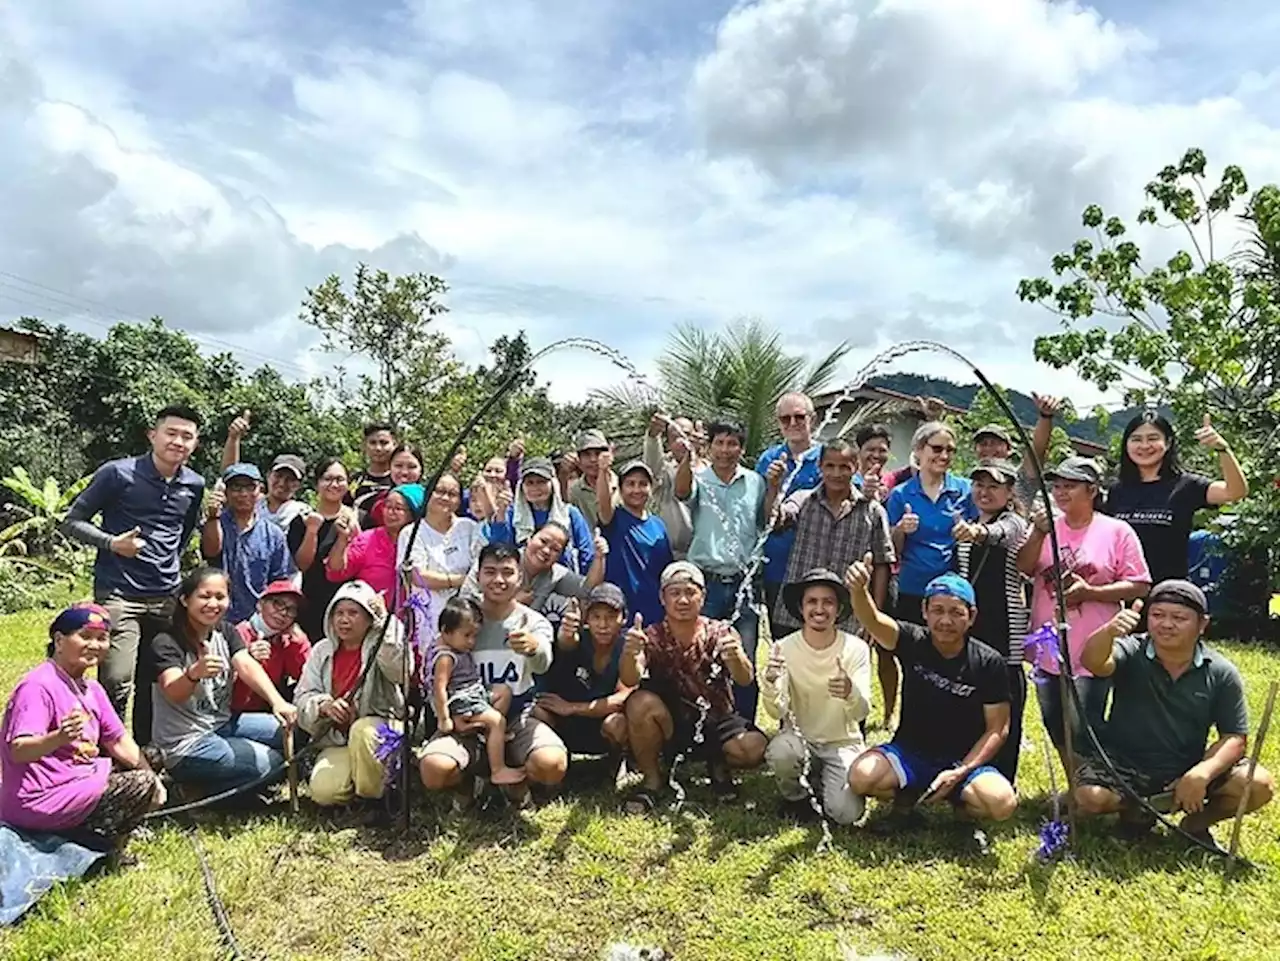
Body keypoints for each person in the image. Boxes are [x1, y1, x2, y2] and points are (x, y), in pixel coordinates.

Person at [1076, 580, 1274, 852]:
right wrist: (1109, 632)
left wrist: (1202, 773)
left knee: (1258, 784)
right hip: (1125, 765)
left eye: (1179, 618)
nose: (1166, 624)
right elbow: (1094, 663)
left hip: (1185, 765)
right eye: (1157, 615)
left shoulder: (1220, 672)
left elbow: (1234, 738)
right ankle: (1136, 814)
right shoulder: (1132, 650)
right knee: (1090, 797)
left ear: (1202, 624)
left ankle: (1194, 825)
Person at [61, 404, 206, 743]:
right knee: (116, 677)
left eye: (187, 436)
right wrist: (113, 544)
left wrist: (168, 559)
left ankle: (146, 751)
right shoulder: (118, 473)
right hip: (119, 593)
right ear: (152, 435)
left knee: (155, 678)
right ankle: (107, 749)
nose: (178, 442)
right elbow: (72, 521)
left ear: (195, 444)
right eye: (171, 433)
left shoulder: (194, 484)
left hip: (166, 595)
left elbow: (184, 532)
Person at [844, 563, 1016, 847]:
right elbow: (873, 620)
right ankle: (907, 800)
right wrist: (859, 590)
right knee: (861, 777)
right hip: (911, 752)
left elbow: (998, 729)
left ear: (971, 617)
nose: (945, 621)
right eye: (937, 610)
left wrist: (961, 770)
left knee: (1001, 803)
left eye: (956, 612)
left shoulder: (989, 662)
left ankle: (962, 812)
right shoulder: (912, 640)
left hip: (963, 761)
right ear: (924, 612)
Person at [1017, 456, 1150, 765]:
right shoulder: (1045, 526)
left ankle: (1092, 782)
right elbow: (1023, 567)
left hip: (1093, 644)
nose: (1061, 493)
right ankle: (1075, 785)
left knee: (1083, 723)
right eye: (1057, 486)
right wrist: (1037, 533)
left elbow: (1140, 583)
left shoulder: (1117, 531)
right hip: (1048, 642)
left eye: (1070, 486)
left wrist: (1092, 592)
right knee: (1053, 721)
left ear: (1092, 491)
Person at [1, 605, 165, 851]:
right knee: (138, 784)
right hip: (41, 797)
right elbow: (19, 750)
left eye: (102, 638)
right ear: (59, 640)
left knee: (150, 758)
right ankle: (108, 847)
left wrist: (155, 781)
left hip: (78, 776)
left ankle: (97, 825)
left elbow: (118, 740)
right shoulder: (38, 686)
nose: (95, 645)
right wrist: (59, 737)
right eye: (85, 636)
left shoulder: (92, 689)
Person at [417, 543, 567, 804]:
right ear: (477, 576)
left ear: (520, 577)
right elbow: (435, 678)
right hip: (466, 722)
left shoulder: (533, 622)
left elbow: (544, 662)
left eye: (507, 572)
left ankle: (516, 780)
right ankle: (467, 782)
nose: (499, 580)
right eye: (490, 571)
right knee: (433, 769)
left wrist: (532, 648)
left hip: (517, 720)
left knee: (551, 764)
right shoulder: (461, 620)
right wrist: (450, 717)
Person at [620, 562, 766, 813]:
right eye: (674, 593)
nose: (683, 600)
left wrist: (736, 657)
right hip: (671, 722)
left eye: (690, 592)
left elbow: (745, 679)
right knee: (638, 703)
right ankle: (653, 780)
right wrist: (630, 654)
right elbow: (630, 679)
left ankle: (717, 763)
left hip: (716, 718)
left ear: (703, 596)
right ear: (662, 598)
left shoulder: (721, 631)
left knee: (755, 749)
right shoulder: (651, 635)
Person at [149, 568, 298, 792]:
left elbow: (246, 665)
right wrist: (192, 675)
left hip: (222, 723)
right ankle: (195, 791)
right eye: (204, 596)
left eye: (220, 597)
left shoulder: (226, 631)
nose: (213, 603)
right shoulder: (166, 641)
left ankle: (229, 778)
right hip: (185, 743)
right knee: (273, 764)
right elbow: (173, 691)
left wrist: (277, 701)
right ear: (185, 599)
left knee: (291, 729)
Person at [675, 422, 775, 723]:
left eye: (732, 444)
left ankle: (745, 725)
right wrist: (686, 459)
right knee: (701, 656)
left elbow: (767, 519)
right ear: (710, 447)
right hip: (708, 582)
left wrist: (775, 487)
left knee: (743, 655)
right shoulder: (699, 479)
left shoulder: (755, 481)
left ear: (741, 448)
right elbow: (681, 492)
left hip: (745, 582)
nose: (725, 450)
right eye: (719, 443)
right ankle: (702, 726)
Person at [761, 569, 871, 825]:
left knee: (846, 815)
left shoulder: (856, 649)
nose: (819, 609)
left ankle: (823, 778)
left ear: (839, 608)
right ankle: (796, 797)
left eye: (828, 602)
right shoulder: (784, 648)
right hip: (800, 740)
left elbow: (861, 712)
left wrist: (850, 692)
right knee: (782, 752)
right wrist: (770, 683)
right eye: (812, 601)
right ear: (801, 607)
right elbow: (776, 712)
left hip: (842, 742)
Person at [293, 580, 408, 809]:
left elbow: (401, 672)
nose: (344, 620)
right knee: (324, 792)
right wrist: (324, 706)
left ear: (368, 618)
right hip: (338, 741)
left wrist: (386, 624)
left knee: (362, 731)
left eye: (353, 613)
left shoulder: (382, 644)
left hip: (380, 731)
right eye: (339, 613)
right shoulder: (322, 651)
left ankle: (375, 800)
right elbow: (302, 696)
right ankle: (357, 786)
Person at [1104, 411, 1248, 588]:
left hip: (1169, 595)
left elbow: (1235, 492)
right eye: (1136, 439)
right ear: (1126, 444)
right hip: (1121, 591)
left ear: (1168, 442)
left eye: (1153, 438)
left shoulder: (1186, 485)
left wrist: (1222, 449)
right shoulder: (1116, 490)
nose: (1144, 445)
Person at [953, 459, 1030, 784]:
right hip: (969, 627)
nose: (984, 492)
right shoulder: (965, 519)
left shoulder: (1013, 523)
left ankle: (1002, 776)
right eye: (979, 485)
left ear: (1009, 492)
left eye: (993, 486)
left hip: (1003, 629)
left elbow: (1000, 534)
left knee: (1005, 700)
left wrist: (978, 532)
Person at [885, 421, 978, 627]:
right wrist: (901, 529)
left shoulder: (966, 490)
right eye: (937, 449)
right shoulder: (901, 494)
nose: (944, 456)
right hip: (912, 588)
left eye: (950, 450)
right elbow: (892, 549)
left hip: (952, 591)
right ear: (919, 450)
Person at [428, 596, 525, 786]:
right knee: (498, 721)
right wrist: (444, 718)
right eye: (467, 635)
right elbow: (439, 689)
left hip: (474, 694)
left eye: (475, 636)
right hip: (462, 702)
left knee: (504, 691)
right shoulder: (445, 657)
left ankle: (490, 737)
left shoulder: (455, 648)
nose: (472, 642)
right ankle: (497, 769)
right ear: (446, 631)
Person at [534, 585, 634, 763]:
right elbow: (566, 643)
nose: (603, 625)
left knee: (617, 723)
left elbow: (624, 697)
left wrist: (572, 707)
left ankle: (618, 760)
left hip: (601, 724)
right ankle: (553, 763)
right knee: (537, 712)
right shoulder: (577, 638)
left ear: (624, 618)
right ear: (586, 618)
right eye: (596, 617)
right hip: (565, 724)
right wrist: (566, 633)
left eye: (611, 617)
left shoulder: (628, 646)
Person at [460, 522, 607, 633]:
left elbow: (588, 589)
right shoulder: (498, 561)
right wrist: (512, 603)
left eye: (555, 549)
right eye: (543, 541)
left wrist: (599, 558)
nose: (546, 550)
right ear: (529, 538)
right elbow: (463, 604)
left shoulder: (555, 574)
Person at [200, 463, 295, 625]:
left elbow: (280, 582)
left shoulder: (273, 534)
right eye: (236, 488)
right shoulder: (216, 523)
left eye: (250, 487)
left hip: (256, 621)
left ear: (260, 490)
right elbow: (210, 551)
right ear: (226, 492)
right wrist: (213, 516)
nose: (243, 494)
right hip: (217, 616)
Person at [755, 392, 823, 613]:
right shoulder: (768, 459)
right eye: (785, 419)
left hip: (819, 561)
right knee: (781, 638)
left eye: (799, 417)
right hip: (778, 564)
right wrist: (773, 485)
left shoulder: (829, 457)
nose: (792, 423)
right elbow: (761, 514)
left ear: (812, 418)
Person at [596, 452, 673, 626]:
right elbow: (603, 502)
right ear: (621, 489)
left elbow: (665, 571)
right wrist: (603, 471)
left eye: (643, 484)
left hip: (655, 611)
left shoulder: (658, 525)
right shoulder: (614, 519)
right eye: (630, 484)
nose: (637, 490)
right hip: (620, 611)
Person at [486, 456, 596, 575]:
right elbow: (499, 550)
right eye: (530, 483)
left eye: (541, 482)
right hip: (523, 579)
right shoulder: (513, 514)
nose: (535, 488)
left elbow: (586, 552)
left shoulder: (569, 513)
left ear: (553, 484)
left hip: (562, 579)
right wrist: (501, 513)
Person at [288, 459, 358, 644]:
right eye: (327, 479)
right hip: (312, 604)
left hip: (348, 604)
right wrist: (311, 531)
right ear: (317, 483)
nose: (334, 484)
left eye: (340, 479)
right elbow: (302, 565)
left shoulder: (360, 519)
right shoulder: (301, 521)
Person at [401, 474, 486, 615]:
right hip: (428, 616)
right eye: (440, 491)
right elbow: (417, 576)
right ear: (428, 494)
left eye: (452, 494)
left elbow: (481, 565)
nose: (445, 498)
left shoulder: (469, 527)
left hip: (468, 613)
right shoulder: (411, 532)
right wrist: (461, 580)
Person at [327, 483, 422, 602]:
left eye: (398, 508)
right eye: (387, 506)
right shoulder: (368, 539)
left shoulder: (422, 542)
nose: (390, 512)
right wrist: (342, 539)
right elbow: (336, 573)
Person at [218, 409, 309, 530]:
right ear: (268, 475)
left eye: (290, 479)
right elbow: (229, 475)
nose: (282, 483)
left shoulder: (301, 512)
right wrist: (234, 438)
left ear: (298, 485)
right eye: (278, 476)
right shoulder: (252, 502)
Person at [231, 580, 311, 713]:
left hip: (267, 711)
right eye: (278, 604)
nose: (284, 613)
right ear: (260, 604)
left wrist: (299, 643)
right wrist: (245, 661)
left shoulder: (286, 641)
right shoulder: (238, 634)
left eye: (291, 610)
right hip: (231, 714)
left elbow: (306, 678)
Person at [643, 412, 700, 559]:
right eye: (675, 438)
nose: (682, 441)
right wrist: (653, 435)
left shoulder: (709, 471)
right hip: (671, 555)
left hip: (704, 556)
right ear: (668, 444)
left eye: (686, 434)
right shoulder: (665, 472)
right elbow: (651, 467)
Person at [363, 443, 425, 529]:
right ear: (390, 468)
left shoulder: (431, 502)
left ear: (421, 470)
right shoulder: (378, 503)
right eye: (398, 466)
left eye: (411, 467)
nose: (404, 472)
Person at [566, 429, 617, 528]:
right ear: (579, 459)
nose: (593, 460)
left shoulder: (623, 485)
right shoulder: (575, 491)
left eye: (598, 453)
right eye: (587, 455)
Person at [348, 422, 398, 521]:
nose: (378, 448)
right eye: (373, 443)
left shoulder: (400, 480)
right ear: (364, 446)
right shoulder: (355, 481)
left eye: (384, 443)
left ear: (395, 445)